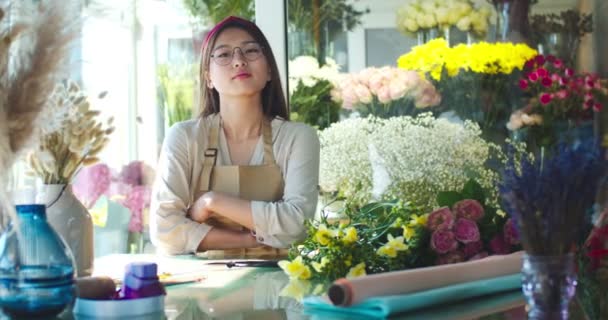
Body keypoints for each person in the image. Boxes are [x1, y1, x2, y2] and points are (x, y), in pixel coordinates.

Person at [150, 16, 320, 256]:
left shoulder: (298, 137)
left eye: (250, 51)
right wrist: (249, 240)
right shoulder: (184, 137)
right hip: (205, 287)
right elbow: (164, 231)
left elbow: (298, 224)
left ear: (269, 69)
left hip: (279, 286)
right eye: (224, 54)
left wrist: (212, 201)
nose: (239, 61)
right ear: (208, 77)